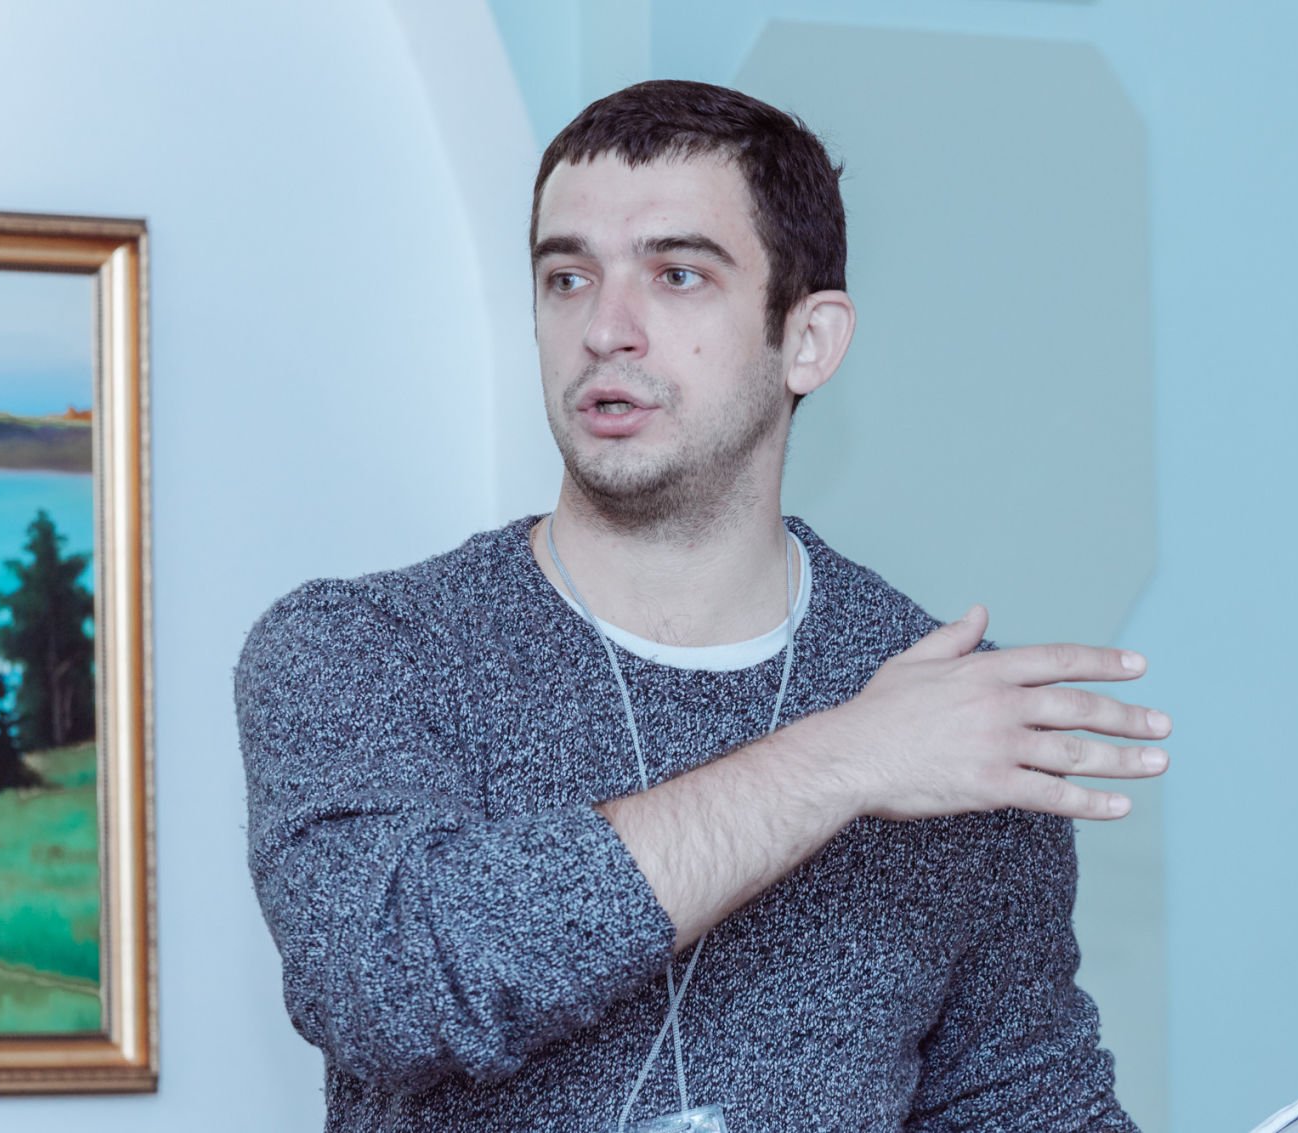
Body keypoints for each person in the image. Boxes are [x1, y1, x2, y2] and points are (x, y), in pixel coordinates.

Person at [236, 79, 1169, 1131]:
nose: (605, 329)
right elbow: (394, 986)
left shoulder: (948, 716)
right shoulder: (363, 650)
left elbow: (1017, 1102)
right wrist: (844, 759)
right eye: (567, 277)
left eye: (677, 274)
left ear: (807, 340)